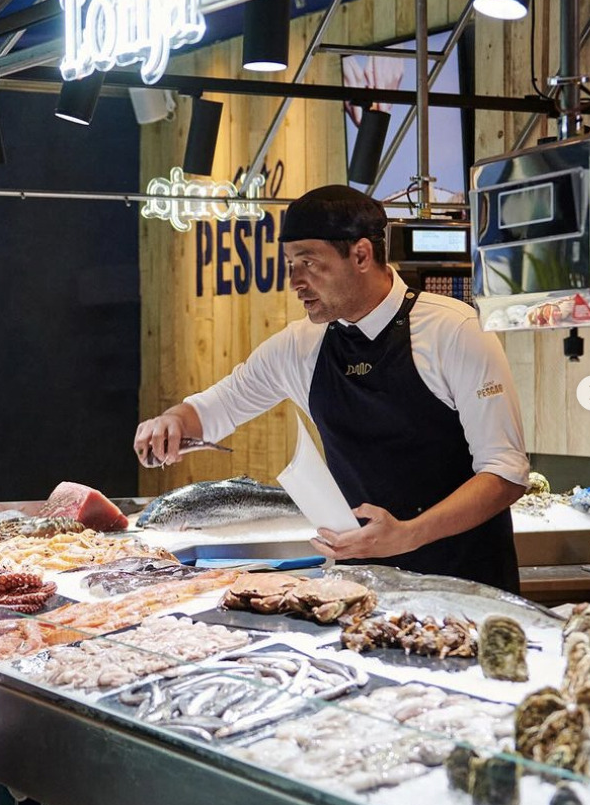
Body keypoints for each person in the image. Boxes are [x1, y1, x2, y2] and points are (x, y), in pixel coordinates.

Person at [134, 185, 529, 591]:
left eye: (308, 263)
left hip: (469, 587)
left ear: (361, 255)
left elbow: (506, 473)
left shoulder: (455, 330)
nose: (295, 282)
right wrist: (172, 421)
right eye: (290, 264)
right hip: (359, 590)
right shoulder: (300, 345)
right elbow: (218, 408)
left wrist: (407, 533)